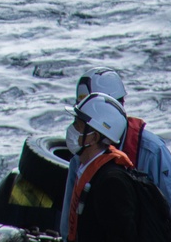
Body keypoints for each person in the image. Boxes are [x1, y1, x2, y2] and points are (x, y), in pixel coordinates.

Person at [59, 68, 171, 242]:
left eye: (80, 122)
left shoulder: (152, 151)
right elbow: (69, 225)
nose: (73, 129)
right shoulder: (82, 158)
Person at [63, 92, 144, 241]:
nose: (71, 129)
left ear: (94, 137)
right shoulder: (87, 169)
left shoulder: (112, 183)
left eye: (78, 125)